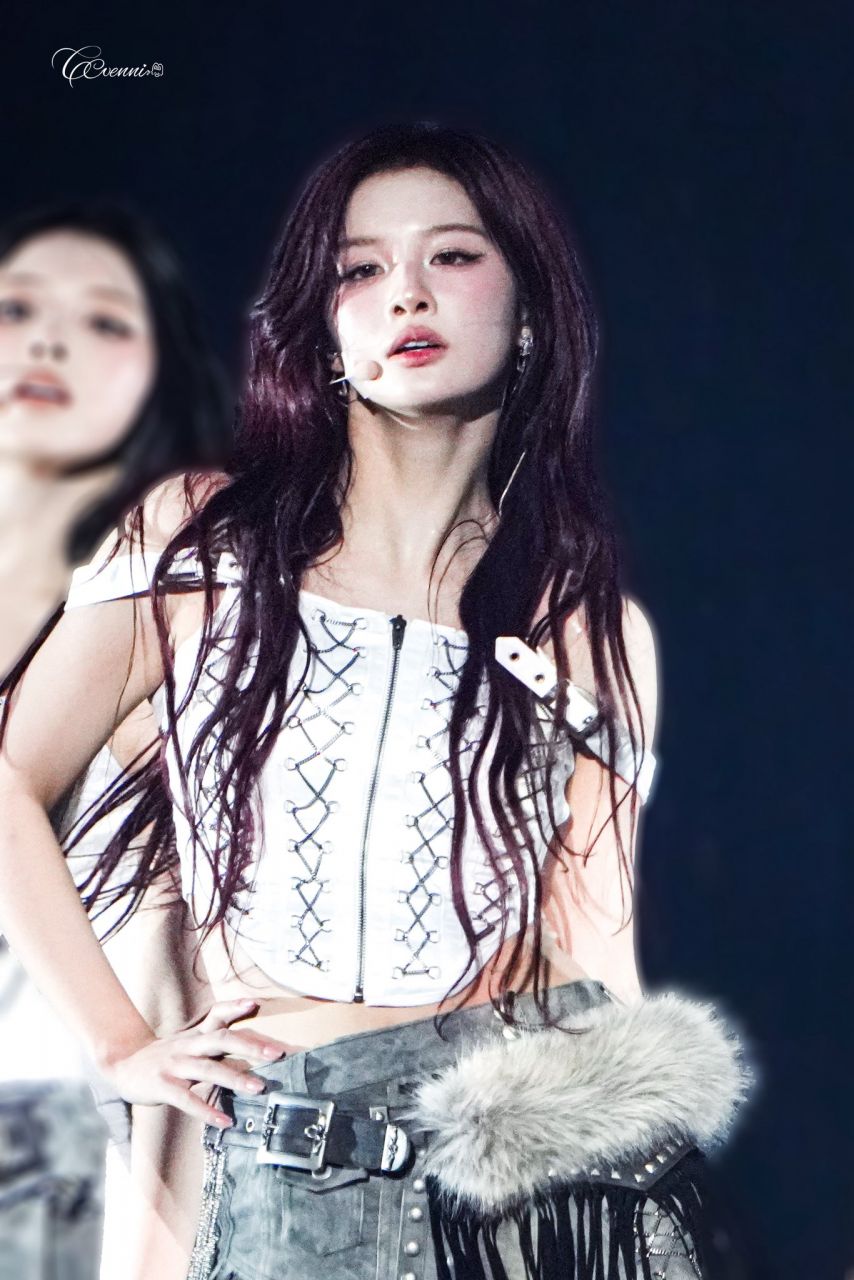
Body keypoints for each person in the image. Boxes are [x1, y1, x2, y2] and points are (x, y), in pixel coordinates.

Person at [0, 123, 755, 1280]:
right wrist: (121, 1042)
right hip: (281, 1172)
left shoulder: (587, 624)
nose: (405, 291)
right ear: (324, 328)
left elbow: (592, 964)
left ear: (530, 311)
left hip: (500, 1194)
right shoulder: (206, 542)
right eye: (360, 268)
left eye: (451, 255)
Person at [0, 199, 232, 1278]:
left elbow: (179, 946)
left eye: (103, 320)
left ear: (161, 366)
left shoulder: (180, 589)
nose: (48, 342)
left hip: (58, 1153)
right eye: (16, 309)